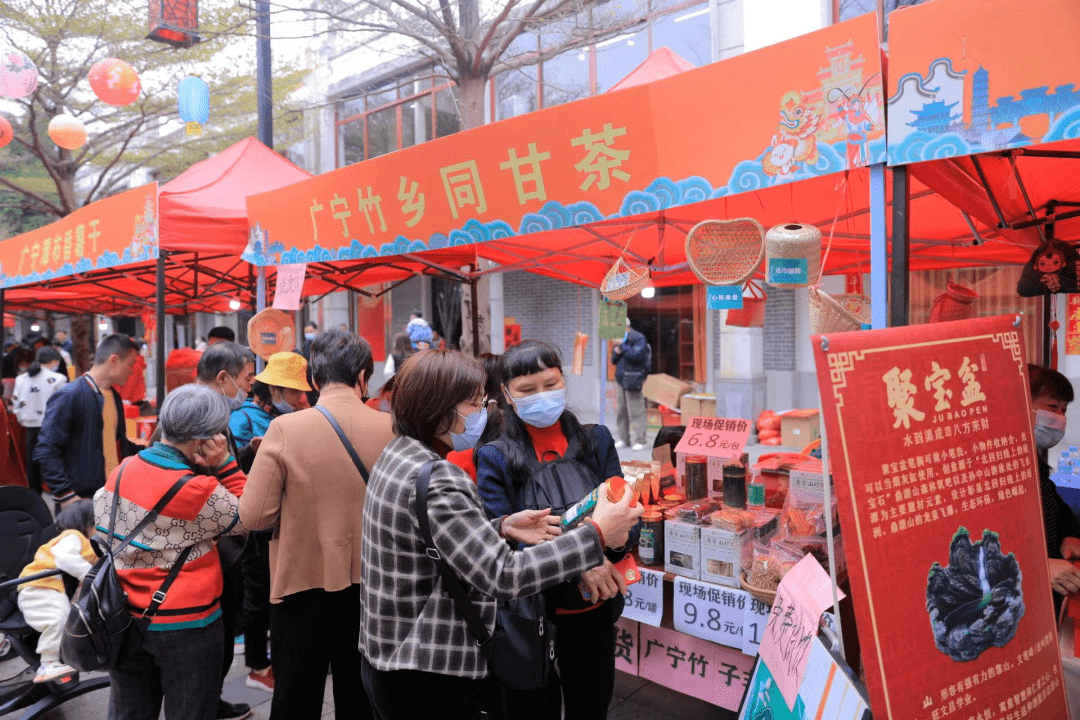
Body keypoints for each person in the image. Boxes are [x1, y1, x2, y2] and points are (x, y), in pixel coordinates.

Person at [359, 349, 642, 720]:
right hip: (424, 665)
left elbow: (439, 537)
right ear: (440, 410)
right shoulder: (443, 475)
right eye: (475, 404)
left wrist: (501, 526)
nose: (482, 413)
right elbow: (504, 575)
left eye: (551, 383)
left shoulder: (398, 455)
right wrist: (595, 535)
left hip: (393, 654)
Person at [477, 340, 637, 720]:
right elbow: (503, 548)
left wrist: (610, 553)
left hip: (594, 610)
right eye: (528, 390)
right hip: (531, 618)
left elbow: (627, 519)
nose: (542, 396)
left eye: (550, 384)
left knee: (592, 706)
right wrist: (582, 559)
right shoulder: (495, 457)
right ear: (507, 395)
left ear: (563, 380)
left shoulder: (596, 441)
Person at [241, 330, 394, 720]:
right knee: (360, 694)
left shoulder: (285, 430)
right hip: (373, 585)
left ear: (313, 380)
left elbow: (253, 515)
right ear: (364, 376)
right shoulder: (391, 429)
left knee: (297, 694)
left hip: (300, 584)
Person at [93, 384, 248, 720]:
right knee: (191, 711)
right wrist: (225, 464)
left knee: (131, 712)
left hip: (124, 617)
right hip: (188, 624)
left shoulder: (122, 470)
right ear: (205, 437)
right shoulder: (197, 490)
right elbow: (247, 515)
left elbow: (103, 525)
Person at [230, 352, 312, 694]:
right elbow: (233, 471)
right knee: (258, 595)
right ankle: (257, 665)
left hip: (283, 520)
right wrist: (253, 452)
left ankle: (272, 660)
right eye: (293, 392)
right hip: (255, 523)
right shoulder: (243, 421)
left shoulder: (288, 416)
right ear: (274, 389)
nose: (300, 397)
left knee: (273, 593)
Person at [194, 342, 256, 720]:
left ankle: (208, 701)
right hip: (212, 545)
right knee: (215, 633)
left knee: (222, 630)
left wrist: (244, 454)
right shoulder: (200, 416)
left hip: (220, 543)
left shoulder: (210, 411)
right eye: (247, 379)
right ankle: (204, 705)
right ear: (224, 377)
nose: (248, 388)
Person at [35, 334, 141, 509]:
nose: (132, 371)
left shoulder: (114, 396)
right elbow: (46, 451)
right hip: (81, 500)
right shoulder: (69, 396)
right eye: (130, 364)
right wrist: (66, 495)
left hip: (110, 495)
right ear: (113, 360)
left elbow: (114, 444)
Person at [16, 499, 97, 684]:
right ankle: (48, 664)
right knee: (57, 618)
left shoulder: (87, 546)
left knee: (66, 617)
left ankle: (58, 662)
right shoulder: (73, 536)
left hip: (50, 587)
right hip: (39, 584)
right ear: (87, 523)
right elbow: (65, 558)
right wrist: (89, 575)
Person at [1027, 365, 1080, 605]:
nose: (1060, 418)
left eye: (1064, 410)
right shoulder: (991, 463)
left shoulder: (1032, 459)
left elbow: (1055, 505)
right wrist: (1036, 568)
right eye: (1052, 407)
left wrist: (1069, 534)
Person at [13, 346, 67, 494]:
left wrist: (22, 419)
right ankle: (58, 496)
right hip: (51, 428)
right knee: (52, 464)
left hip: (29, 427)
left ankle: (34, 500)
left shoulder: (21, 379)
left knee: (32, 466)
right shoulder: (59, 379)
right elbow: (62, 406)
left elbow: (16, 403)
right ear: (54, 361)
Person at [611, 317, 651, 451]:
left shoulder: (638, 337)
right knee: (621, 411)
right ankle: (624, 439)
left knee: (636, 410)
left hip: (634, 378)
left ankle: (640, 440)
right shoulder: (618, 339)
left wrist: (622, 346)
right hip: (621, 379)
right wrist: (616, 352)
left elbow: (636, 356)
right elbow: (613, 360)